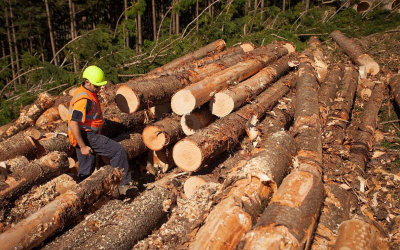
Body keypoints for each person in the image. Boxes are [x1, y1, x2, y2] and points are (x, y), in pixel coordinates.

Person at [67, 65, 134, 195]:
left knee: (86, 171)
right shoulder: (83, 99)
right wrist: (82, 146)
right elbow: (73, 123)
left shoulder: (88, 92)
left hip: (86, 134)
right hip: (86, 135)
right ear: (87, 82)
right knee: (117, 151)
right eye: (97, 86)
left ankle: (82, 197)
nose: (99, 89)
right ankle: (123, 186)